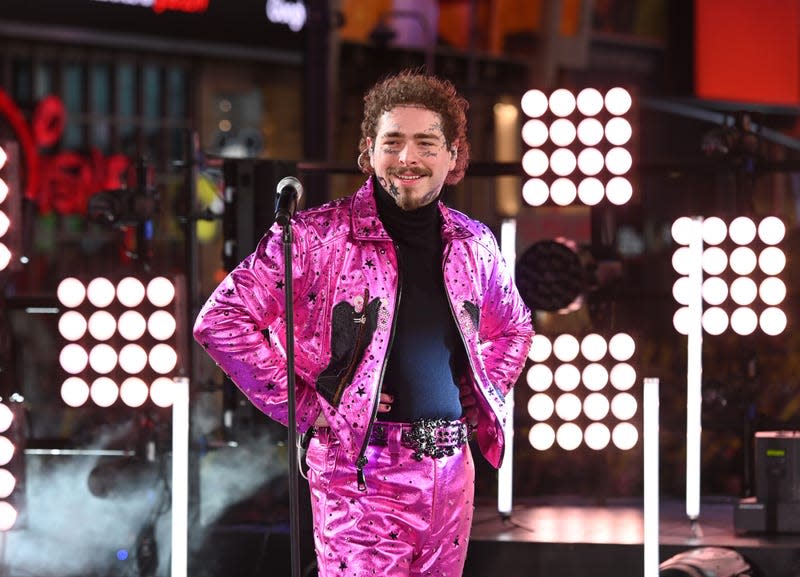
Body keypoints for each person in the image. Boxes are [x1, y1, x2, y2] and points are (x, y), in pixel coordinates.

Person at [193, 69, 534, 577]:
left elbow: (514, 328)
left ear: (453, 156)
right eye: (392, 142)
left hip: (451, 473)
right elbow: (221, 319)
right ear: (369, 151)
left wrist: (481, 387)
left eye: (426, 143)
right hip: (361, 473)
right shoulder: (315, 237)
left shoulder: (474, 243)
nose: (408, 158)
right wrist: (307, 406)